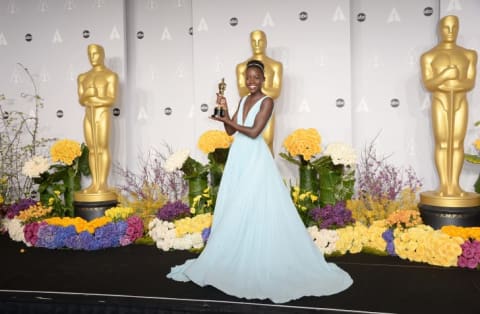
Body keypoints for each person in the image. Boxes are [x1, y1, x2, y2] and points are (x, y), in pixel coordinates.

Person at [167, 60, 352, 303]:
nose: (251, 81)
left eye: (256, 77)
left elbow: (254, 132)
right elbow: (230, 133)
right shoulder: (243, 100)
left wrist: (227, 119)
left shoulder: (267, 101)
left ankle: (261, 256)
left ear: (264, 80)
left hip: (256, 158)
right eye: (248, 78)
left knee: (255, 201)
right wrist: (223, 109)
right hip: (239, 158)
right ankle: (237, 252)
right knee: (236, 204)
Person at [420, 15, 478, 197]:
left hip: (459, 101)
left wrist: (452, 83)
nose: (451, 32)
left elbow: (469, 83)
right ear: (440, 29)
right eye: (446, 28)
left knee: (457, 142)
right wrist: (446, 75)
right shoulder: (430, 56)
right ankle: (444, 185)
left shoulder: (469, 55)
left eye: (454, 27)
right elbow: (429, 84)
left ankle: (455, 184)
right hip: (441, 101)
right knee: (443, 142)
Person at [75, 44, 118, 201]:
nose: (92, 57)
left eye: (95, 54)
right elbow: (81, 100)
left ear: (102, 54)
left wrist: (95, 97)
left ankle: (102, 184)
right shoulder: (82, 77)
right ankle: (94, 183)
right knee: (92, 149)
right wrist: (87, 93)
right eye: (89, 54)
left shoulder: (110, 76)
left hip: (102, 114)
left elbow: (111, 99)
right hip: (88, 115)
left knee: (102, 147)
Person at [236, 30, 283, 155]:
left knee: (267, 141)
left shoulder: (275, 65)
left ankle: (268, 173)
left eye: (260, 40)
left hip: (266, 108)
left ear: (265, 42)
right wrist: (259, 86)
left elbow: (276, 92)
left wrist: (256, 89)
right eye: (253, 41)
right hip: (248, 109)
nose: (257, 44)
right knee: (246, 144)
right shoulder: (241, 67)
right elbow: (242, 92)